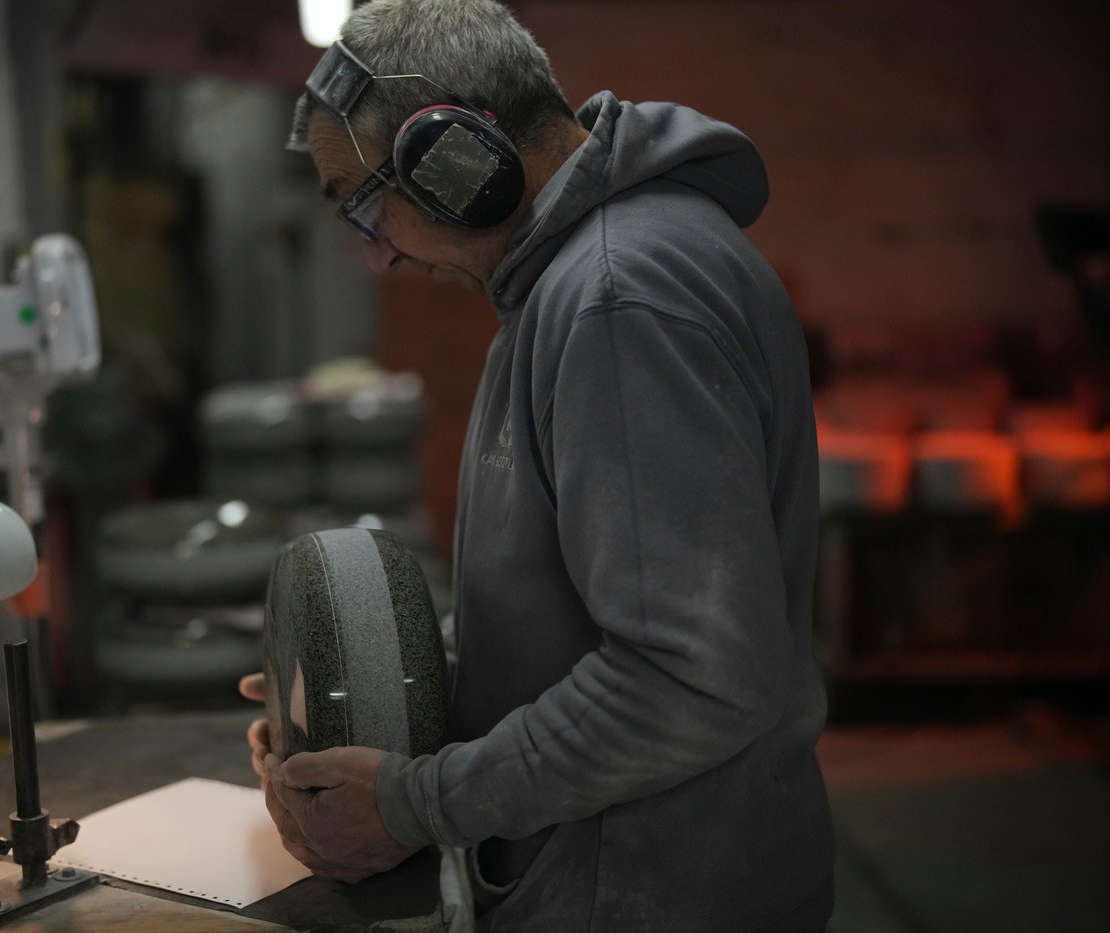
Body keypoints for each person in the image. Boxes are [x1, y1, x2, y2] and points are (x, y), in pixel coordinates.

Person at [240, 0, 835, 929]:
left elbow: (691, 677)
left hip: (651, 890)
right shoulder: (587, 282)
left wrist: (413, 804)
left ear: (453, 159)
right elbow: (571, 612)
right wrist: (339, 687)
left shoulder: (616, 299)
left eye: (364, 203)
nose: (378, 257)